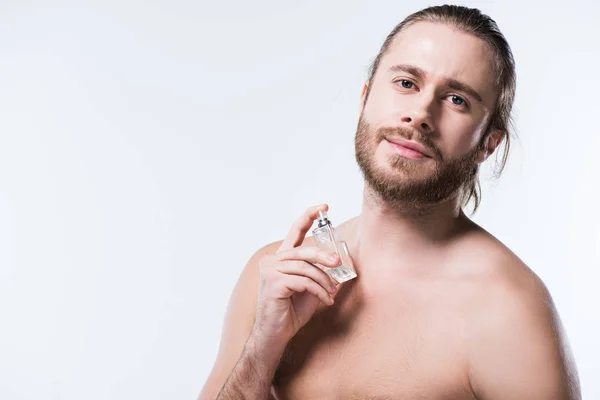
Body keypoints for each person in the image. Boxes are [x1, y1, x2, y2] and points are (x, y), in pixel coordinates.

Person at [199, 5, 581, 400]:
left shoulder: (508, 315)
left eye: (456, 100)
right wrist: (262, 348)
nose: (419, 114)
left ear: (488, 143)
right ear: (365, 97)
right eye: (406, 83)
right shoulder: (277, 277)